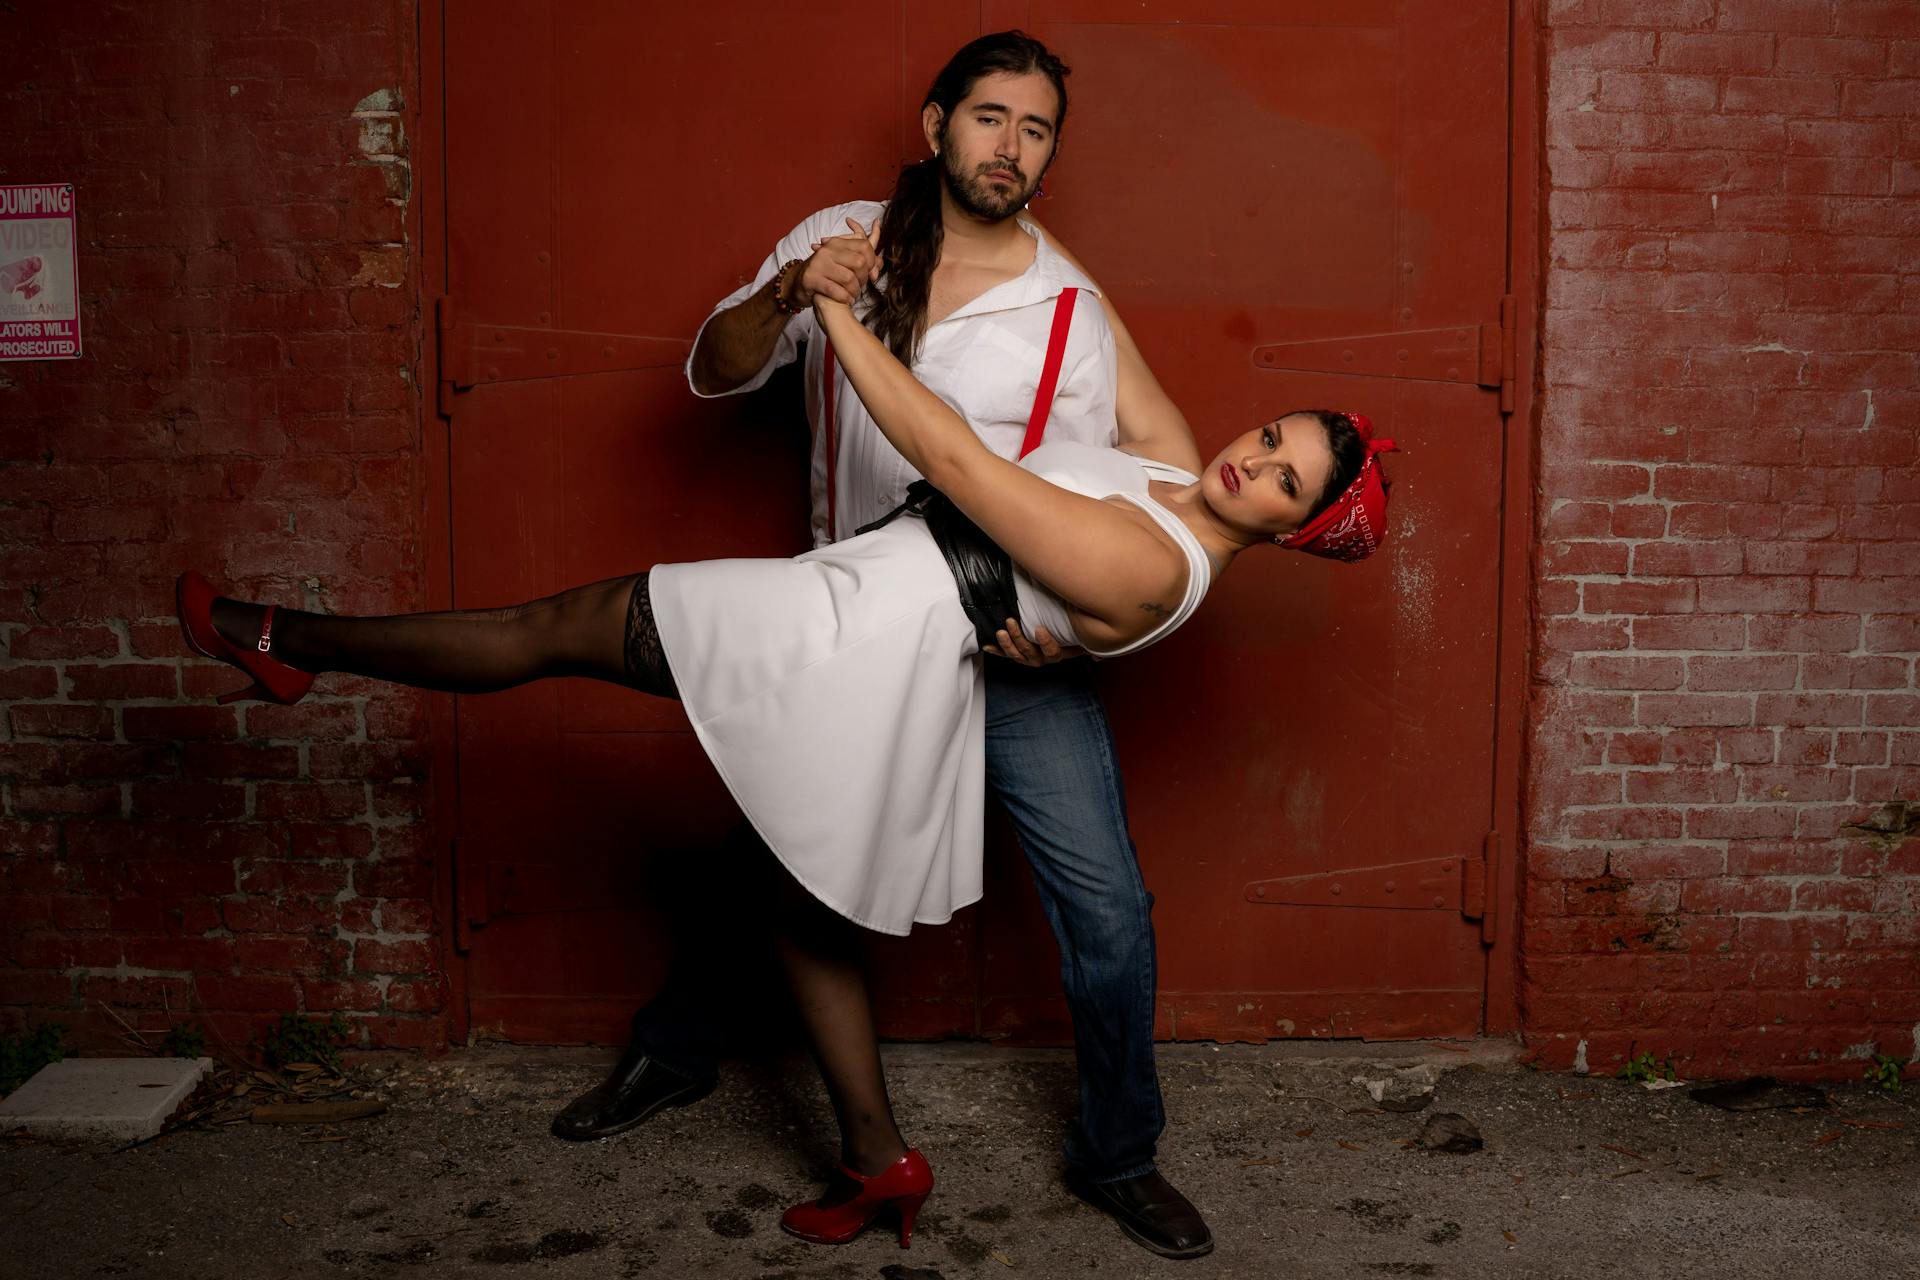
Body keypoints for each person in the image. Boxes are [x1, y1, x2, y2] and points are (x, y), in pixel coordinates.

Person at [177, 277, 1394, 1255]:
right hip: (884, 606)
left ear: (1296, 532)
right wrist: (1004, 194)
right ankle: (878, 1160)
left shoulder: (1155, 563)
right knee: (798, 899)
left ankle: (290, 641)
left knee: (563, 624)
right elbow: (1099, 317)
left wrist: (833, 313)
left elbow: (965, 468)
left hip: (862, 631)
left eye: (1285, 480)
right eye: (1274, 434)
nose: (1255, 461)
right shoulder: (1175, 467)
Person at [563, 30, 1233, 1259]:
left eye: (1035, 130)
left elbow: (1162, 496)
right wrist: (790, 290)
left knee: (1109, 911)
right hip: (855, 628)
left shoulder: (1067, 311)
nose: (1010, 148)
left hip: (1007, 655)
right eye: (990, 119)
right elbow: (712, 370)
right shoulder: (847, 238)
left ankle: (1119, 1154)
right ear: (935, 124)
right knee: (770, 852)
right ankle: (677, 1052)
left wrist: (1080, 631)